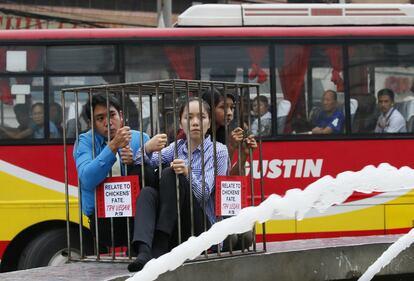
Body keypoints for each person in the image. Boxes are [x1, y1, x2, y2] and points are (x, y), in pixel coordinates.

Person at [128, 97, 229, 272]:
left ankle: (159, 244)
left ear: (209, 122)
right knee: (147, 193)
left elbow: (204, 195)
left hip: (202, 228)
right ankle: (144, 250)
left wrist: (187, 173)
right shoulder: (177, 147)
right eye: (189, 118)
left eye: (201, 117)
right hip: (178, 226)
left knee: (170, 173)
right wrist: (147, 148)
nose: (195, 122)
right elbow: (139, 162)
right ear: (181, 124)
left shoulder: (218, 150)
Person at [73, 94, 150, 248]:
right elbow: (87, 178)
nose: (108, 122)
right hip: (101, 216)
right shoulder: (85, 141)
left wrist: (136, 161)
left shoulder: (140, 138)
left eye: (112, 115)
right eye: (100, 118)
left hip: (136, 213)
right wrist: (113, 146)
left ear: (121, 116)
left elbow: (153, 174)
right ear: (92, 123)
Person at [202, 89, 257, 176]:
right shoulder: (196, 136)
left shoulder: (223, 132)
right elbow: (211, 179)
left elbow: (227, 178)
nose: (230, 113)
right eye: (223, 107)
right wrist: (231, 147)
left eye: (232, 108)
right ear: (208, 109)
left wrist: (244, 155)